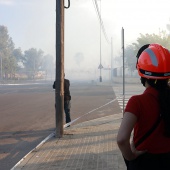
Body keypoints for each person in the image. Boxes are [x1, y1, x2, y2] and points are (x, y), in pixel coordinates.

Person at [117, 44, 170, 170]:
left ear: (142, 73)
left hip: (144, 161)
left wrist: (130, 156)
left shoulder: (137, 102)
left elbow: (122, 139)